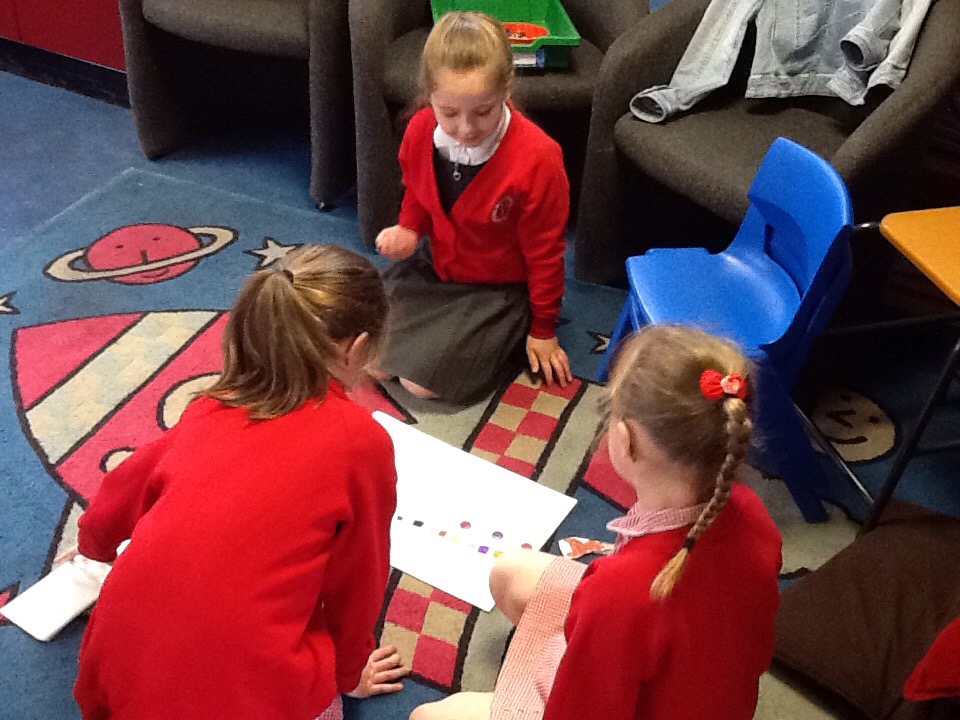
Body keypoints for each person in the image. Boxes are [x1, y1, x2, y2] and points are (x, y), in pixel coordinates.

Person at [72, 244, 409, 720]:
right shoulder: (362, 441)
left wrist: (94, 547)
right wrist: (350, 672)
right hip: (238, 700)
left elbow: (123, 488)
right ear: (355, 348)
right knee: (316, 684)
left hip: (109, 681)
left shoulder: (208, 406)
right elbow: (358, 579)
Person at [410, 324, 783, 720]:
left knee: (428, 717)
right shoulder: (751, 511)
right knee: (508, 571)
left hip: (622, 680)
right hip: (683, 672)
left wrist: (584, 650)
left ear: (624, 439)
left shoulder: (621, 592)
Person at [375, 10, 573, 403]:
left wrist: (544, 329)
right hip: (437, 267)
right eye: (449, 113)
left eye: (483, 111)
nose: (465, 130)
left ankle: (502, 334)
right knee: (373, 357)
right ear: (430, 96)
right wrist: (409, 227)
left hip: (496, 287)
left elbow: (546, 254)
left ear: (506, 90)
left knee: (421, 384)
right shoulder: (419, 129)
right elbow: (416, 188)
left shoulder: (539, 158)